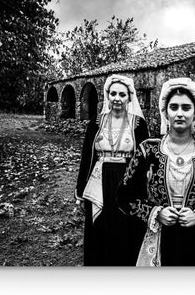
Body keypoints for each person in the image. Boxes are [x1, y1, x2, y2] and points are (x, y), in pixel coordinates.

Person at [116, 78, 195, 266]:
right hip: (158, 239)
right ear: (166, 112)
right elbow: (124, 195)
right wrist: (155, 213)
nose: (179, 113)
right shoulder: (147, 149)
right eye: (174, 107)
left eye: (186, 108)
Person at [75, 74, 149, 266]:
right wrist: (81, 192)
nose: (117, 98)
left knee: (125, 225)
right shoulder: (96, 123)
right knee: (100, 226)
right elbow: (87, 157)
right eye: (113, 93)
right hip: (100, 180)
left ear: (129, 98)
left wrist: (143, 191)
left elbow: (145, 160)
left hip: (127, 180)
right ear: (107, 96)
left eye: (122, 94)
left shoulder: (139, 125)